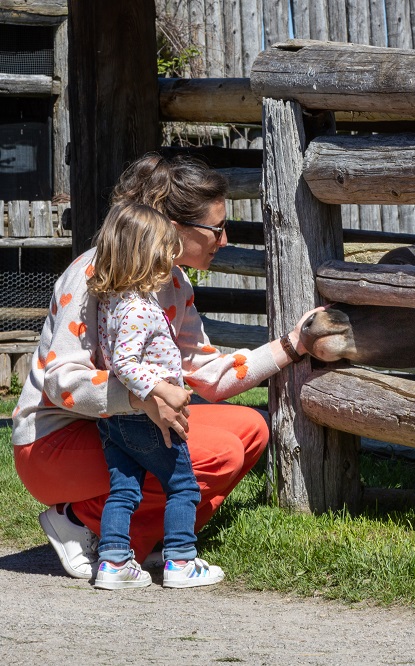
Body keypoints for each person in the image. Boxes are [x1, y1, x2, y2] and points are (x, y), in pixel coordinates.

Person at [11, 153, 320, 581]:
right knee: (218, 455)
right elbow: (61, 382)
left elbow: (210, 374)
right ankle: (82, 523)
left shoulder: (173, 282)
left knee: (251, 429)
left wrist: (293, 344)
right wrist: (146, 399)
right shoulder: (91, 275)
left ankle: (148, 539)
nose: (224, 240)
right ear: (175, 230)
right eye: (216, 229)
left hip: (117, 426)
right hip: (52, 444)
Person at [88, 202, 223, 590]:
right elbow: (125, 364)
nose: (171, 262)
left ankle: (113, 563)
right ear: (147, 257)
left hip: (114, 420)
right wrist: (163, 390)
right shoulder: (138, 309)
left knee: (125, 488)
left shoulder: (111, 304)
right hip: (149, 418)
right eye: (165, 253)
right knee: (182, 486)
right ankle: (181, 559)